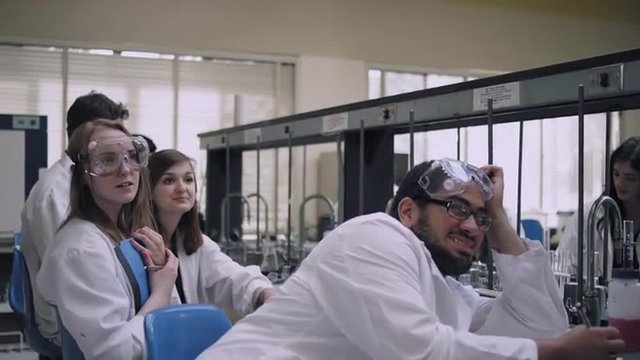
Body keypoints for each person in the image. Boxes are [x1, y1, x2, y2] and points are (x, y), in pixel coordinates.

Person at [198, 158, 624, 360]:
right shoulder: (371, 236)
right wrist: (553, 354)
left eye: (479, 217)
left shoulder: (447, 289)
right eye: (456, 208)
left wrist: (496, 215)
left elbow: (540, 323)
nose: (473, 226)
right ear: (407, 211)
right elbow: (417, 349)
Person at [37, 120, 178, 359]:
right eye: (108, 159)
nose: (126, 169)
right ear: (82, 173)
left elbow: (173, 318)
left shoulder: (122, 234)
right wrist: (161, 292)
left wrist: (158, 274)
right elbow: (114, 353)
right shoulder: (80, 249)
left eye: (132, 156)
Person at [20, 91, 129, 341]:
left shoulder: (87, 186)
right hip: (65, 326)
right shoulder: (56, 192)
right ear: (88, 135)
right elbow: (69, 273)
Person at [147, 149, 274, 316]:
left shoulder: (196, 244)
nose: (182, 188)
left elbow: (231, 277)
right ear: (149, 191)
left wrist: (263, 292)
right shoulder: (140, 246)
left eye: (188, 179)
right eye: (169, 180)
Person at [558, 136, 640, 278]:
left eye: (630, 178)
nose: (619, 183)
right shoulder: (590, 214)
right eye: (616, 174)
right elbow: (562, 266)